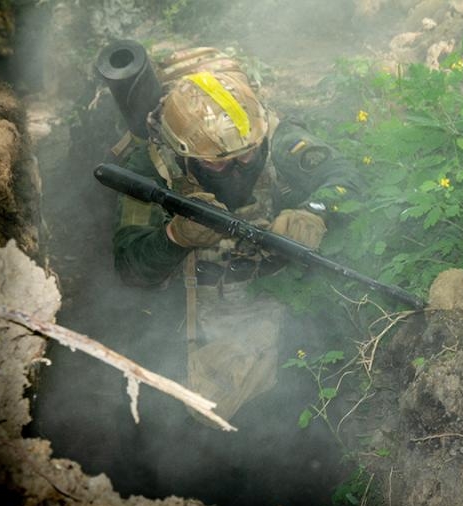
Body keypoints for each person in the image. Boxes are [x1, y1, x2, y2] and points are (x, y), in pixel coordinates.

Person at [111, 47, 362, 423]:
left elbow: (345, 175)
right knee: (186, 421)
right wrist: (175, 237)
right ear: (184, 154)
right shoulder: (150, 165)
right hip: (190, 309)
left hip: (280, 296)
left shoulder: (269, 134)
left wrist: (315, 213)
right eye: (216, 161)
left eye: (247, 156)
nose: (236, 168)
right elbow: (129, 266)